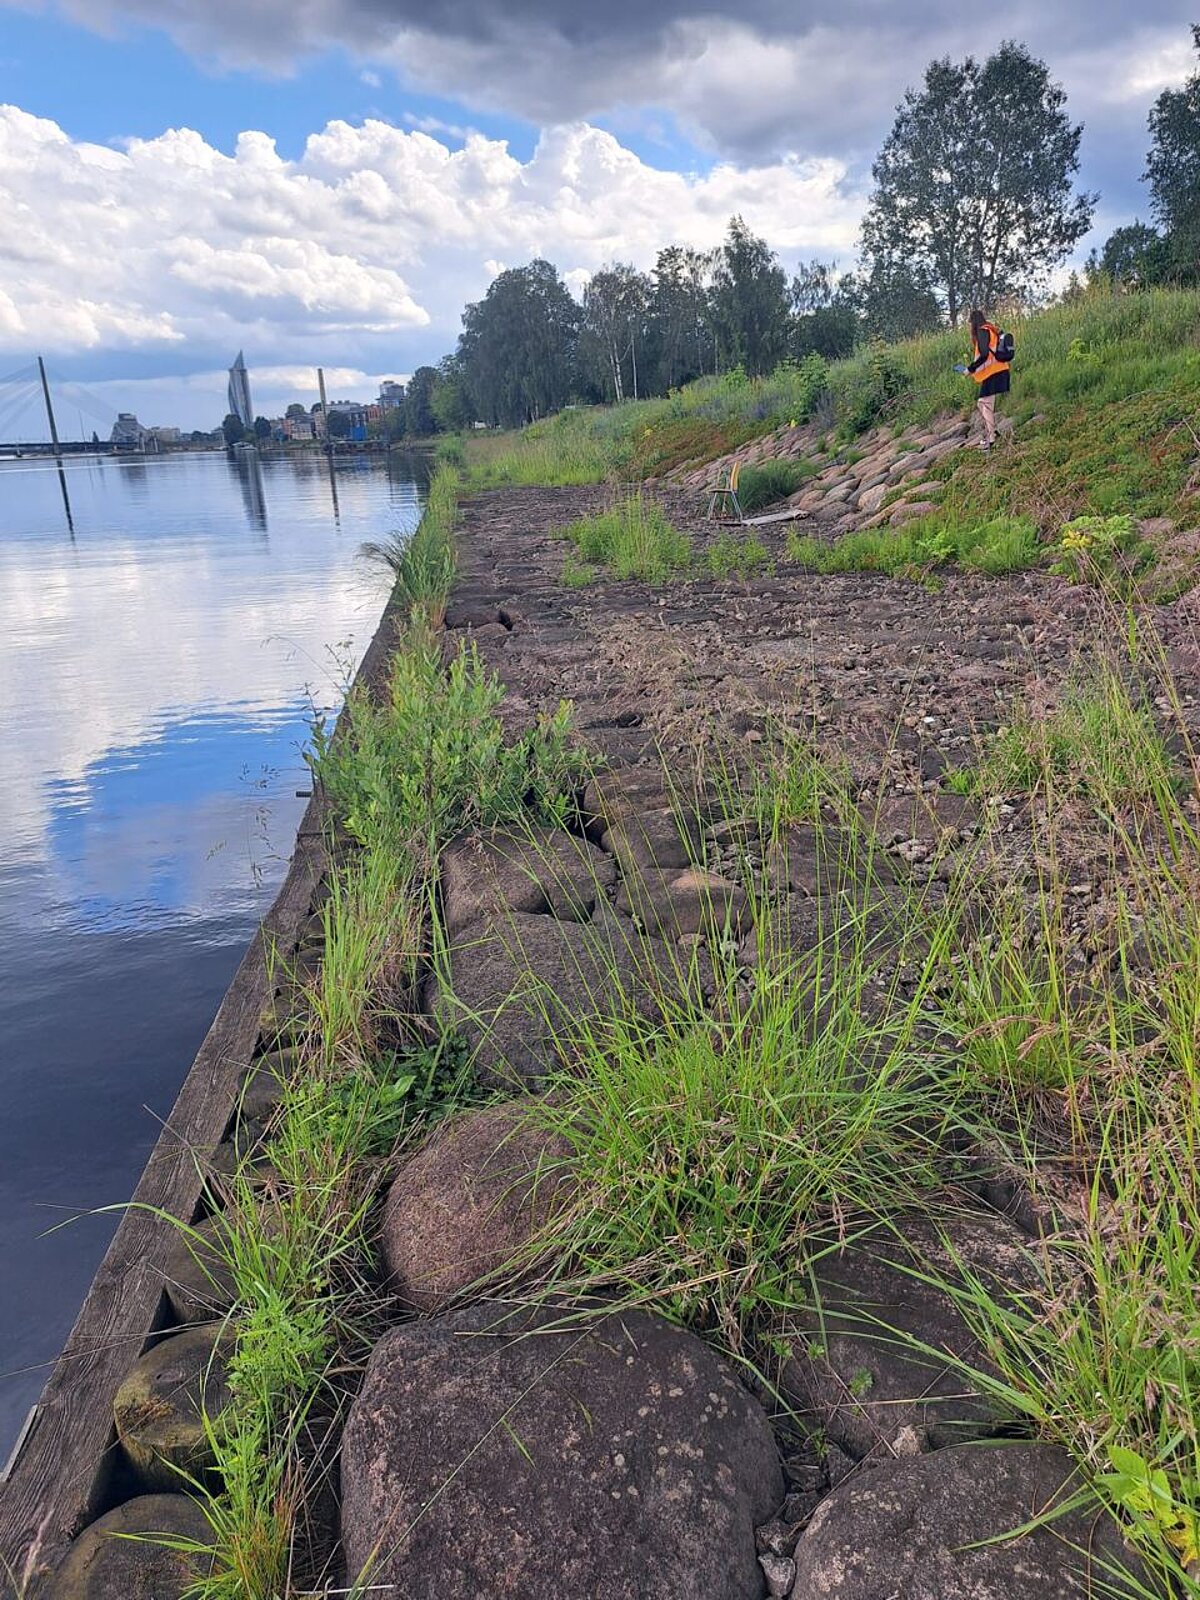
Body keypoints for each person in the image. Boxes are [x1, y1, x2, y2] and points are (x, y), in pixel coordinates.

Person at [954, 308, 1011, 450]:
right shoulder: (990, 329)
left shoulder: (982, 331)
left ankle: (991, 439)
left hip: (993, 373)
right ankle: (993, 433)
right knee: (983, 404)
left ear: (973, 322)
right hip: (998, 371)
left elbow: (985, 354)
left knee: (985, 404)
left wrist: (970, 369)